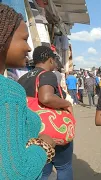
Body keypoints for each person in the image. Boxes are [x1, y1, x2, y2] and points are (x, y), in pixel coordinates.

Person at [0, 4, 55, 179]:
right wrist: (44, 147)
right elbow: (16, 173)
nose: (29, 48)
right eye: (24, 39)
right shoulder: (8, 91)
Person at [18, 46, 74, 180]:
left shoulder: (22, 79)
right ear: (50, 60)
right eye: (55, 61)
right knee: (64, 167)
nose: (55, 64)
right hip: (52, 129)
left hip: (32, 131)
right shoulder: (47, 74)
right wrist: (67, 103)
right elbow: (46, 98)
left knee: (42, 169)